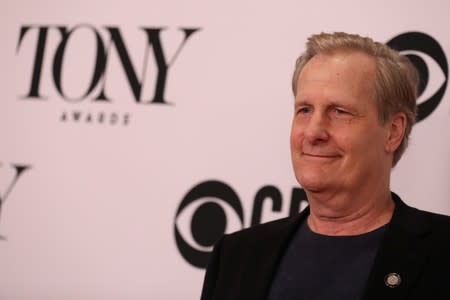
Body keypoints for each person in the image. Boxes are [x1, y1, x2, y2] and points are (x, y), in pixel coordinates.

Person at [200, 32, 450, 300]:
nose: (313, 132)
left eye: (339, 111)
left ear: (392, 132)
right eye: (304, 110)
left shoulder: (442, 254)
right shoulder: (235, 257)